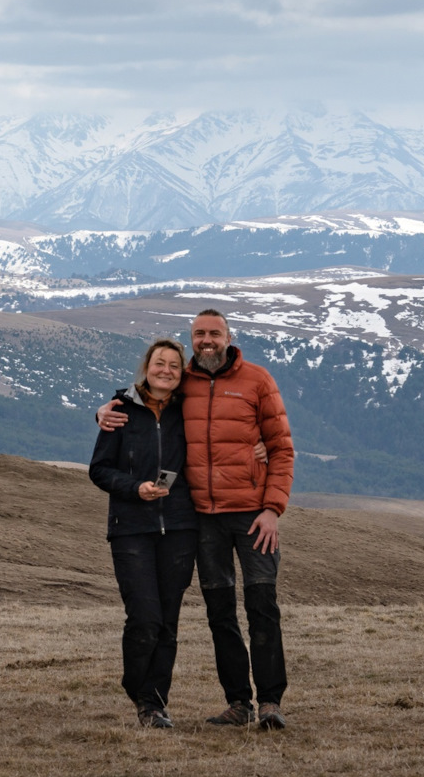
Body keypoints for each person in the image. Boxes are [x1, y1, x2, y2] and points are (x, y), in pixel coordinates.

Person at [98, 308, 295, 730]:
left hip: (252, 515)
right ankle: (239, 702)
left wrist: (272, 509)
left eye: (214, 334)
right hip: (204, 518)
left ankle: (271, 703)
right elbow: (142, 399)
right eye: (199, 334)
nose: (207, 341)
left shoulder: (257, 380)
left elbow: (281, 447)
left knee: (262, 605)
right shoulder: (183, 382)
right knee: (219, 612)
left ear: (228, 337)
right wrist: (102, 411)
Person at [88, 338, 199, 728]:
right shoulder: (119, 411)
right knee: (145, 618)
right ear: (146, 367)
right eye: (159, 363)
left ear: (182, 371)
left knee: (168, 622)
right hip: (131, 529)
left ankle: (153, 705)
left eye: (174, 364)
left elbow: (223, 439)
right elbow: (99, 469)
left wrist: (258, 448)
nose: (166, 370)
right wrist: (135, 488)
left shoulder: (190, 411)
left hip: (181, 528)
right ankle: (139, 688)